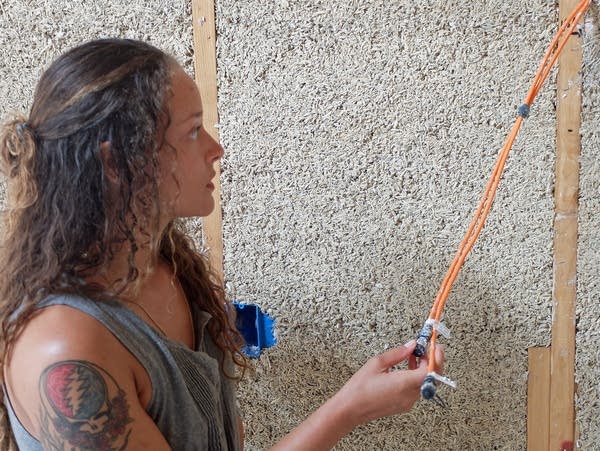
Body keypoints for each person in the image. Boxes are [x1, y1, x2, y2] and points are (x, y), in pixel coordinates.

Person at [0, 39, 444, 450]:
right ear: (115, 161)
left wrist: (354, 401)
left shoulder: (164, 267)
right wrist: (350, 408)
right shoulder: (65, 351)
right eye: (193, 131)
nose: (217, 149)